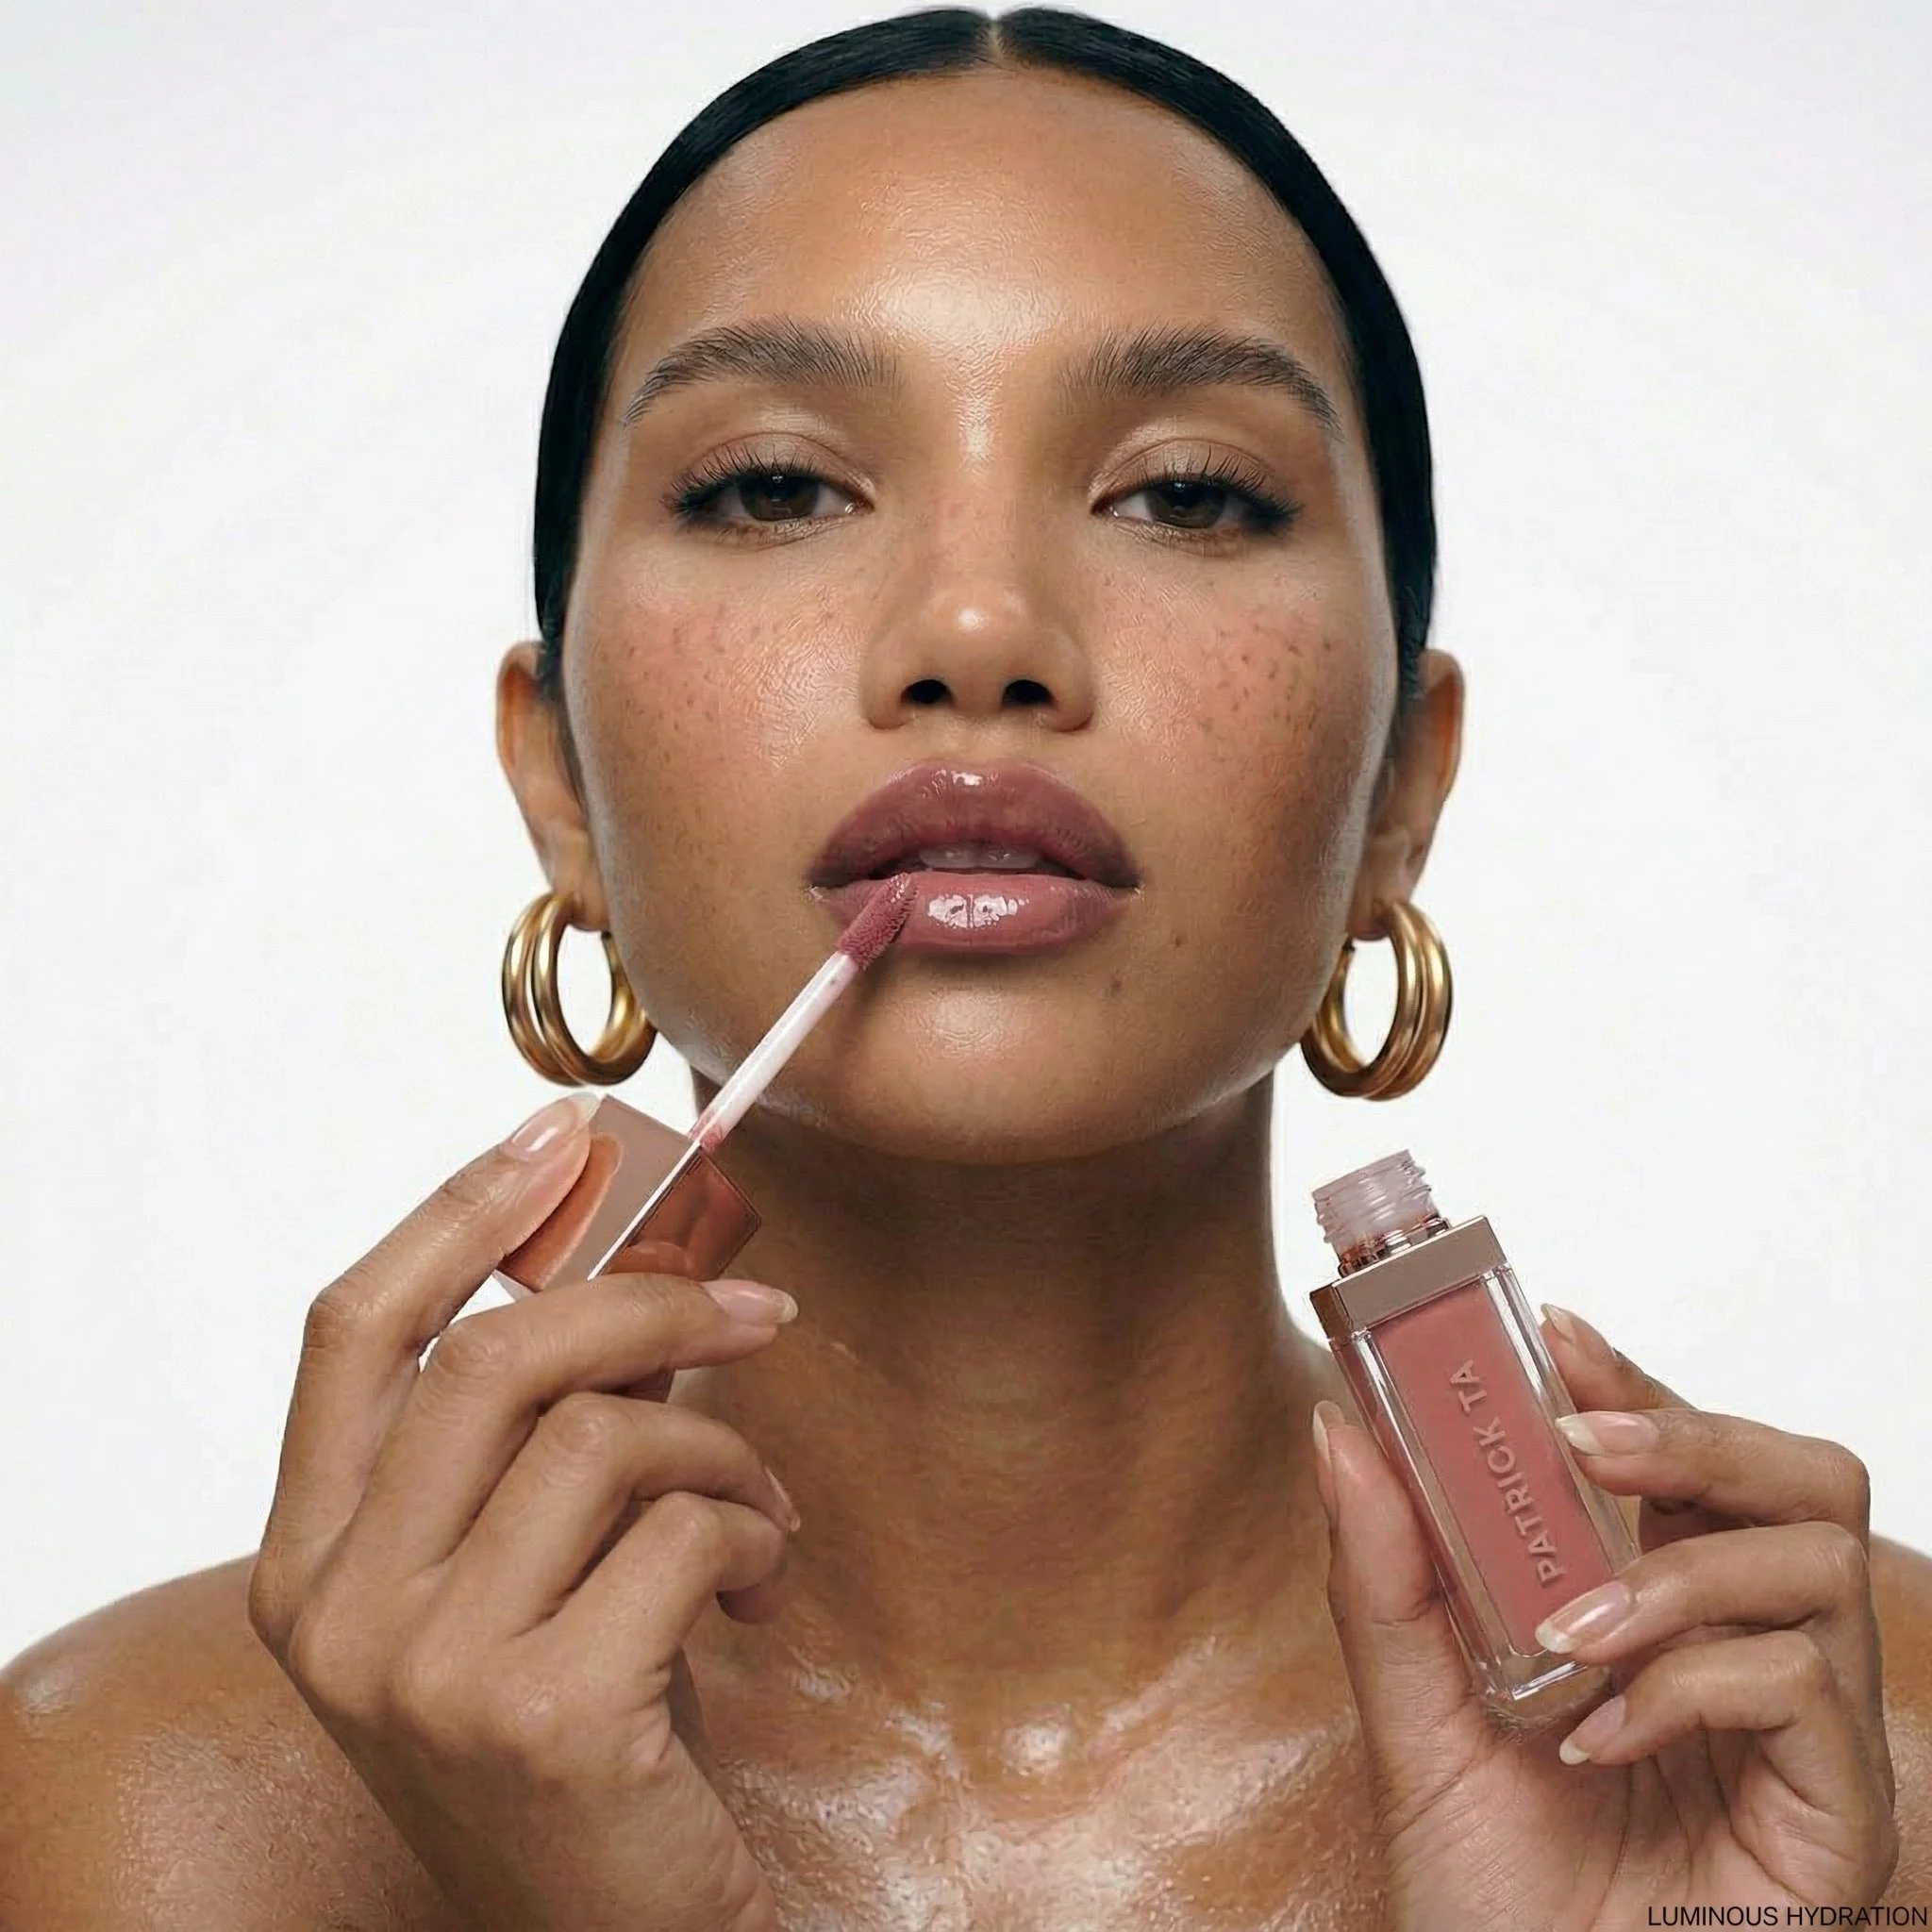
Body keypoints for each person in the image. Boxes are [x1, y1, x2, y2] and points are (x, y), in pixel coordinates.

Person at [4, 8, 1927, 1926]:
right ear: (559, 783)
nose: (981, 630)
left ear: (1398, 799)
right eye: (772, 484)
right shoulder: (167, 1813)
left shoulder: (1834, 1775)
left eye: (1186, 491)